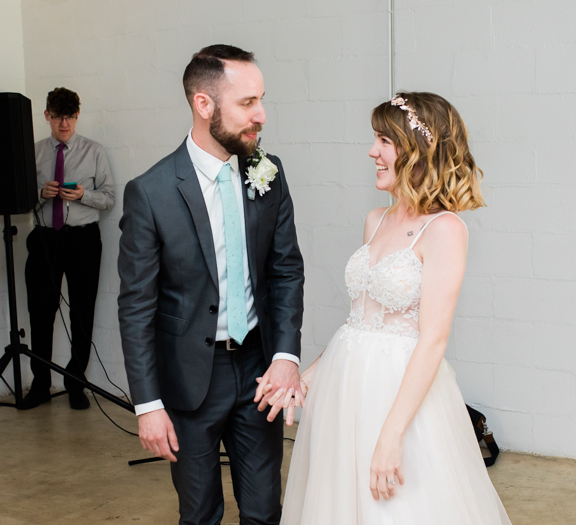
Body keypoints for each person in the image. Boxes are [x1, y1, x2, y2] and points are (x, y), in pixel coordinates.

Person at [279, 93, 512, 524]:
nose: (373, 152)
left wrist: (390, 435)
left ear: (417, 149)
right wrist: (305, 378)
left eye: (384, 140)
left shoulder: (445, 230)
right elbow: (359, 322)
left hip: (399, 395)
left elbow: (433, 340)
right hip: (346, 389)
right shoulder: (375, 219)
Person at [117, 45, 305, 525]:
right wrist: (148, 404)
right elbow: (136, 306)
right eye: (247, 103)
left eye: (261, 99)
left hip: (258, 370)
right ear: (204, 105)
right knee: (200, 514)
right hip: (190, 380)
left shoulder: (269, 173)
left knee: (265, 510)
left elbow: (286, 271)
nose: (260, 115)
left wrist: (285, 356)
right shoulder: (152, 193)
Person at [21, 87, 115, 411]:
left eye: (71, 117)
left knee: (82, 313)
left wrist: (84, 195)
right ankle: (41, 384)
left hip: (83, 239)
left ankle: (76, 384)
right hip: (46, 238)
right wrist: (41, 193)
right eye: (59, 117)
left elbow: (109, 197)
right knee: (40, 313)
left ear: (77, 115)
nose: (65, 124)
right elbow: (21, 201)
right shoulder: (33, 153)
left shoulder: (95, 151)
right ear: (47, 115)